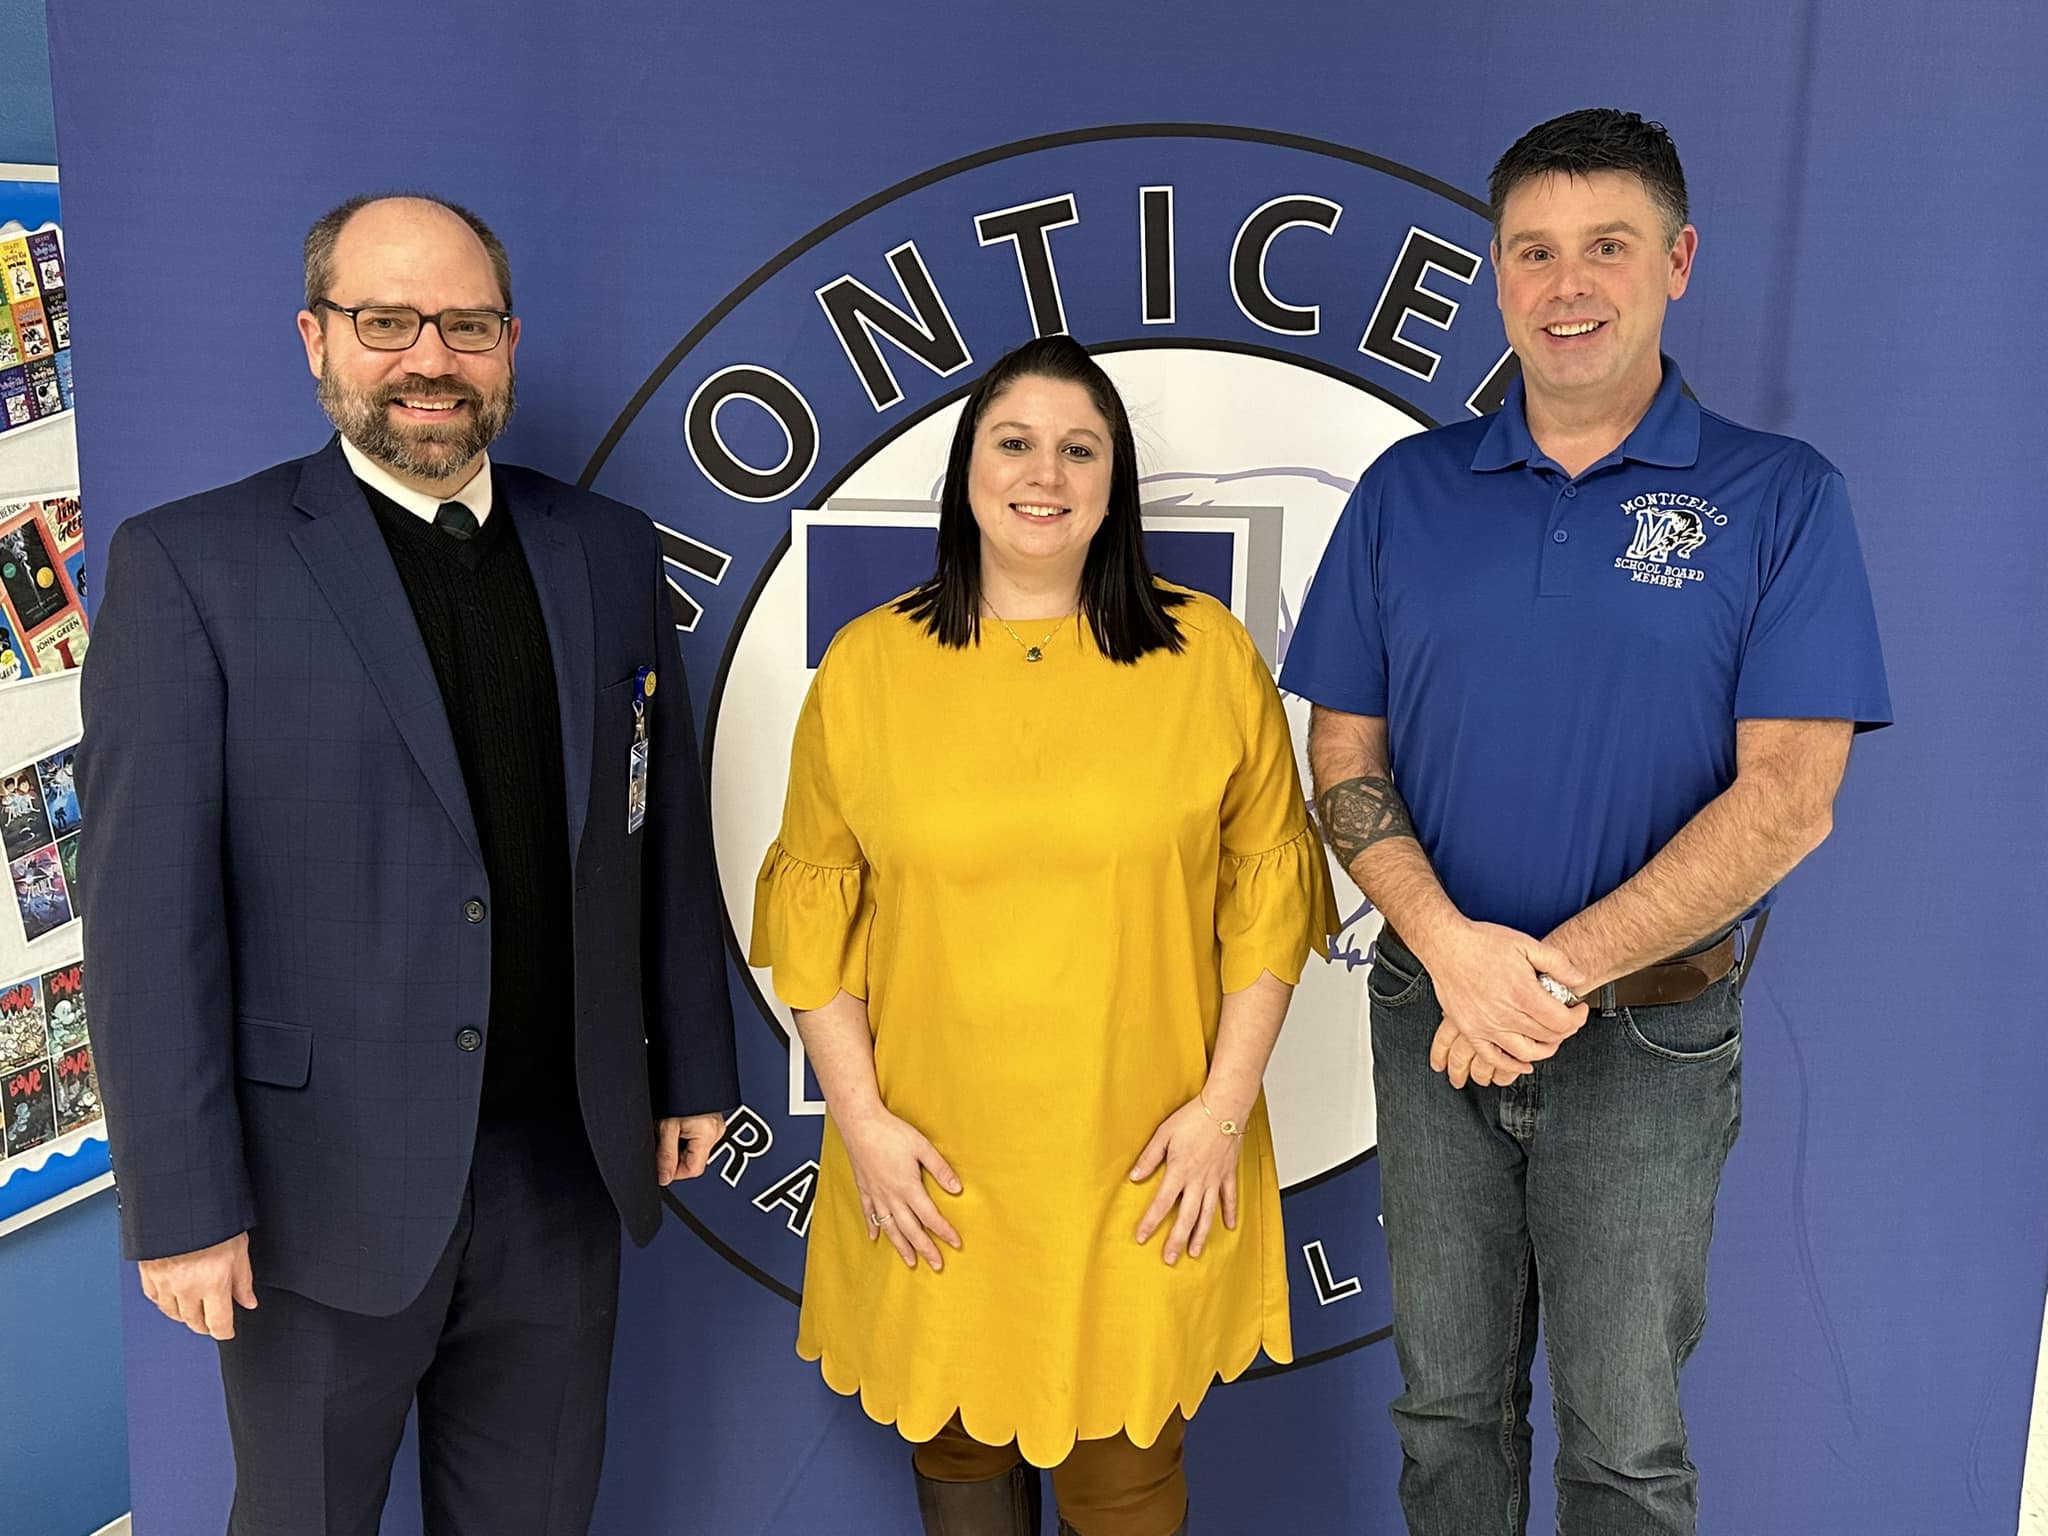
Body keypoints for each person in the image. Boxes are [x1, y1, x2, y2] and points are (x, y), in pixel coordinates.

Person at [76, 193, 739, 1536]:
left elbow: (653, 823)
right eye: (387, 322)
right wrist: (182, 1202)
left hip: (564, 1171)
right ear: (315, 340)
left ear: (506, 343)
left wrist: (695, 1063)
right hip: (313, 1203)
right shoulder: (193, 566)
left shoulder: (604, 551)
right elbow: (146, 923)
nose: (428, 358)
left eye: (466, 324)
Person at [1281, 109, 1890, 1535]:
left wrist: (1543, 977)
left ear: (1676, 261)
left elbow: (1791, 799)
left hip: (1649, 1040)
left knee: (1624, 1446)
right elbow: (1342, 758)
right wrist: (1457, 956)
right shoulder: (1406, 494)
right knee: (1446, 1421)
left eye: (1606, 248)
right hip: (1434, 1015)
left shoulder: (1778, 498)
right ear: (1498, 276)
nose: (1569, 284)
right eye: (1534, 251)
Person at [749, 334, 1335, 1536]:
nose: (1044, 474)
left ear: (1113, 481)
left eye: (1080, 449)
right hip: (932, 1159)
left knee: (1124, 1477)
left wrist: (1221, 1109)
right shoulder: (867, 667)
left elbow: (1268, 904)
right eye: (1014, 443)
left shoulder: (1207, 655)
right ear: (967, 468)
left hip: (1145, 1156)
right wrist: (859, 1122)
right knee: (959, 1461)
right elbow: (815, 915)